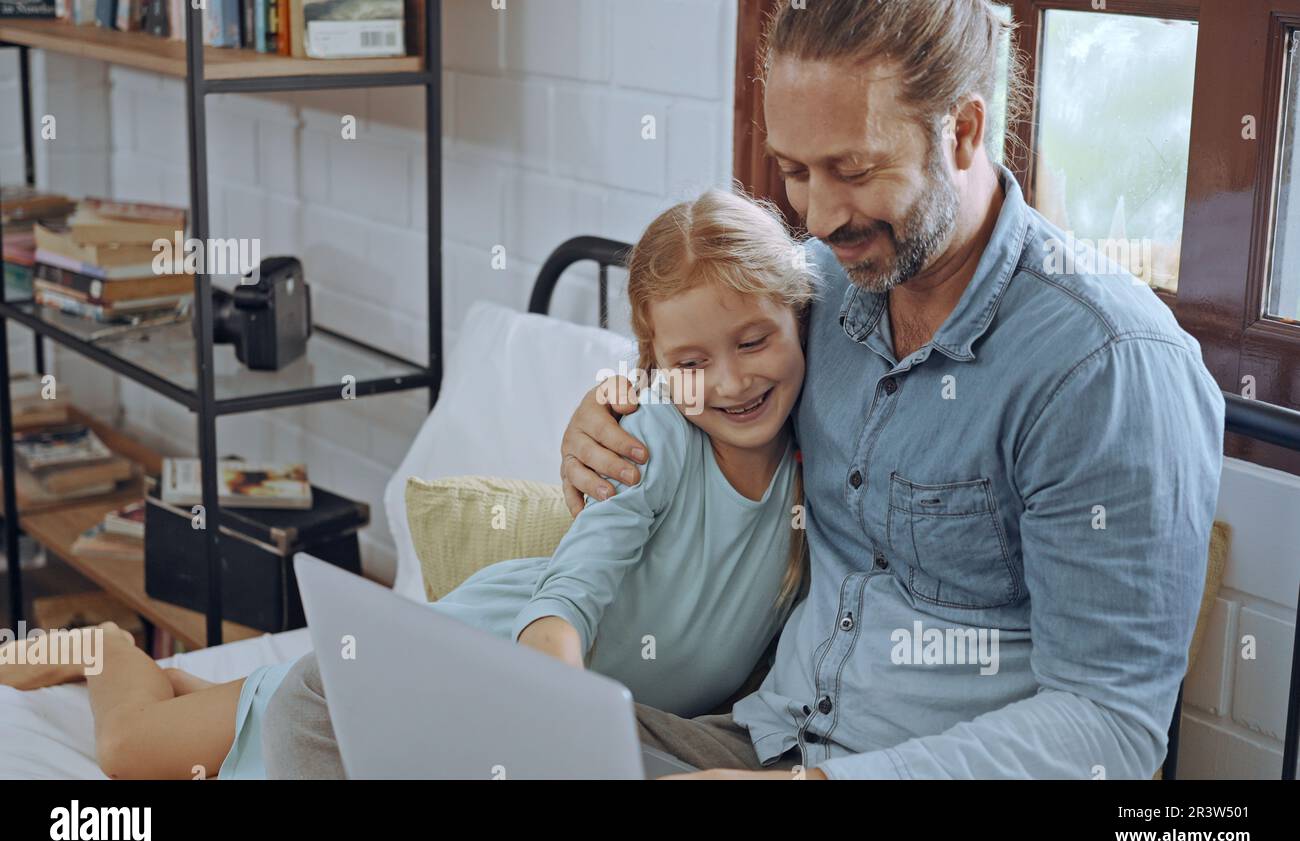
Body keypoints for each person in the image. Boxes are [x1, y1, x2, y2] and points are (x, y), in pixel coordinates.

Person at [266, 0, 1224, 780]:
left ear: (964, 130)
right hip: (753, 743)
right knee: (326, 698)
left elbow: (1112, 728)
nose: (820, 215)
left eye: (853, 170)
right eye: (796, 172)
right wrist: (607, 402)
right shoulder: (829, 286)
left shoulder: (1107, 368)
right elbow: (715, 361)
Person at [0, 187, 818, 779]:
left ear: (800, 317)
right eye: (689, 362)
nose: (730, 381)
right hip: (480, 654)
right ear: (652, 370)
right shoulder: (653, 440)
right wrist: (561, 725)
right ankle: (108, 649)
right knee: (132, 749)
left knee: (232, 705)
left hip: (541, 700)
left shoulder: (827, 466)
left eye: (754, 340)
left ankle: (203, 684)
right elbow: (566, 598)